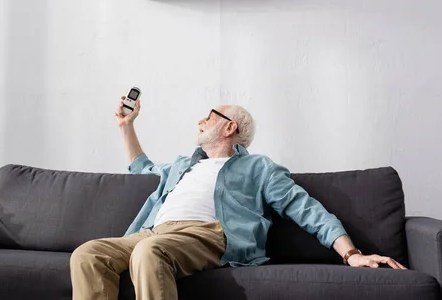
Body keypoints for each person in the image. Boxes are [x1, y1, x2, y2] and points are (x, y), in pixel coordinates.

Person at [70, 97, 407, 300]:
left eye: (210, 116)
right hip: (152, 232)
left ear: (229, 128)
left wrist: (351, 254)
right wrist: (125, 126)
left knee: (148, 253)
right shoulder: (183, 165)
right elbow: (143, 169)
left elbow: (305, 208)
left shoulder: (259, 167)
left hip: (207, 233)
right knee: (88, 254)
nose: (201, 120)